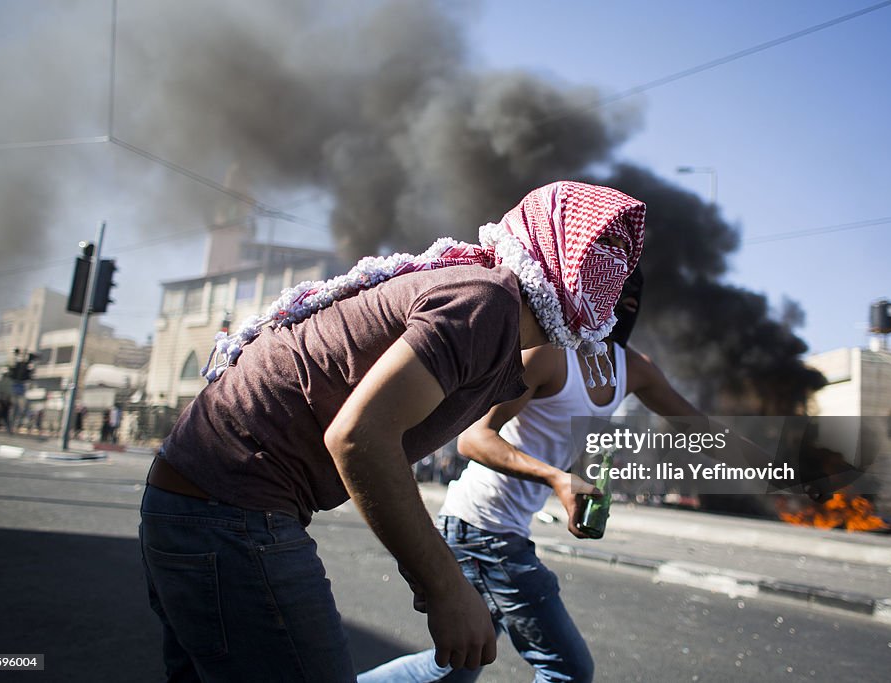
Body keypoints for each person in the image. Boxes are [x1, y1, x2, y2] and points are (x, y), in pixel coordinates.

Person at [139, 181, 646, 682]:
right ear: (556, 246)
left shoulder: (499, 325)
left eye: (622, 263)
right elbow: (359, 438)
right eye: (600, 252)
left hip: (198, 503)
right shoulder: (488, 305)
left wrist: (427, 566)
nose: (615, 279)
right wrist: (446, 586)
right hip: (227, 510)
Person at [358, 267, 707, 683]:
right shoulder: (549, 352)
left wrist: (791, 472)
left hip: (499, 528)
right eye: (616, 289)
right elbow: (474, 439)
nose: (626, 302)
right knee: (568, 670)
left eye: (633, 296)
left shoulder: (633, 368)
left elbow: (703, 428)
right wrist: (558, 479)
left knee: (456, 669)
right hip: (481, 526)